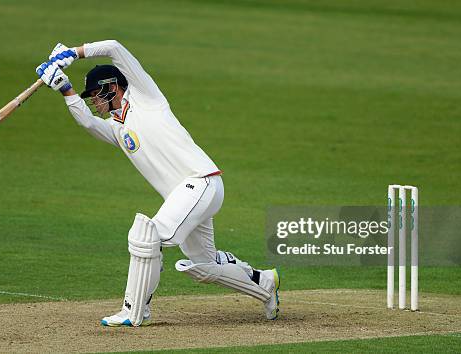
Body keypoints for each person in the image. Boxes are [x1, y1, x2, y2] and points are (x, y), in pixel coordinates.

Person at [35, 40, 280, 327]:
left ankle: (134, 311)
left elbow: (114, 47)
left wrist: (74, 53)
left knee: (146, 235)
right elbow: (88, 123)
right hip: (189, 194)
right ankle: (265, 283)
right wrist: (65, 89)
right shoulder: (118, 127)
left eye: (95, 95)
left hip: (200, 182)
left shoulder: (146, 97)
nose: (94, 101)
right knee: (204, 266)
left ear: (111, 86)